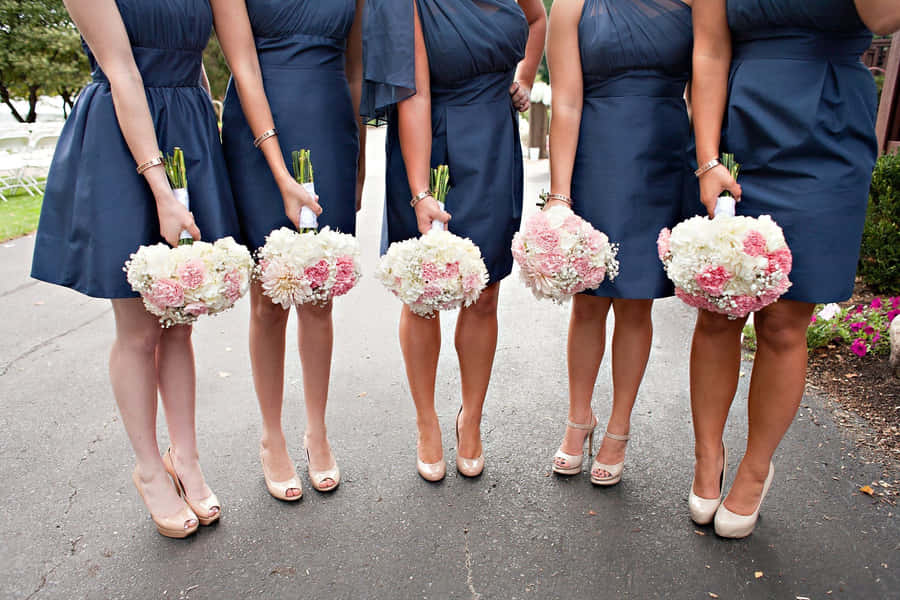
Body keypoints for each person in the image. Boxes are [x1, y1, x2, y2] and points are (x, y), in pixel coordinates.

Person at [31, 0, 242, 537]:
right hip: (123, 140)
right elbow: (121, 70)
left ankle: (186, 459)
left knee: (179, 318)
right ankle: (149, 469)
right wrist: (160, 187)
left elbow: (196, 64)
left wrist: (201, 146)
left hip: (186, 129)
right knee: (138, 328)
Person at [689, 0, 900, 538]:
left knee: (784, 321)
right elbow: (710, 47)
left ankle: (756, 467)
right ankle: (707, 456)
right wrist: (708, 158)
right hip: (741, 126)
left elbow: (882, 19)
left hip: (827, 131)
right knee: (718, 310)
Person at [363, 0, 546, 481]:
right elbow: (414, 93)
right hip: (430, 138)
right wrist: (420, 191)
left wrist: (524, 76)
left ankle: (472, 418)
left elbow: (537, 18)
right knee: (423, 294)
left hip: (494, 141)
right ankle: (427, 422)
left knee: (485, 292)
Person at [213, 0, 365, 498]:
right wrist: (279, 170)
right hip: (259, 131)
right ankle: (271, 435)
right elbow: (244, 66)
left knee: (320, 293)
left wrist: (357, 157)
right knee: (270, 297)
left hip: (330, 125)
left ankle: (317, 431)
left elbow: (355, 67)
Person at [545, 0, 694, 486]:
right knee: (589, 301)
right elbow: (566, 101)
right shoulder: (574, 5)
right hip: (596, 157)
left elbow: (708, 81)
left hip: (663, 156)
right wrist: (560, 196)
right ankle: (578, 417)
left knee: (636, 303)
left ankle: (619, 426)